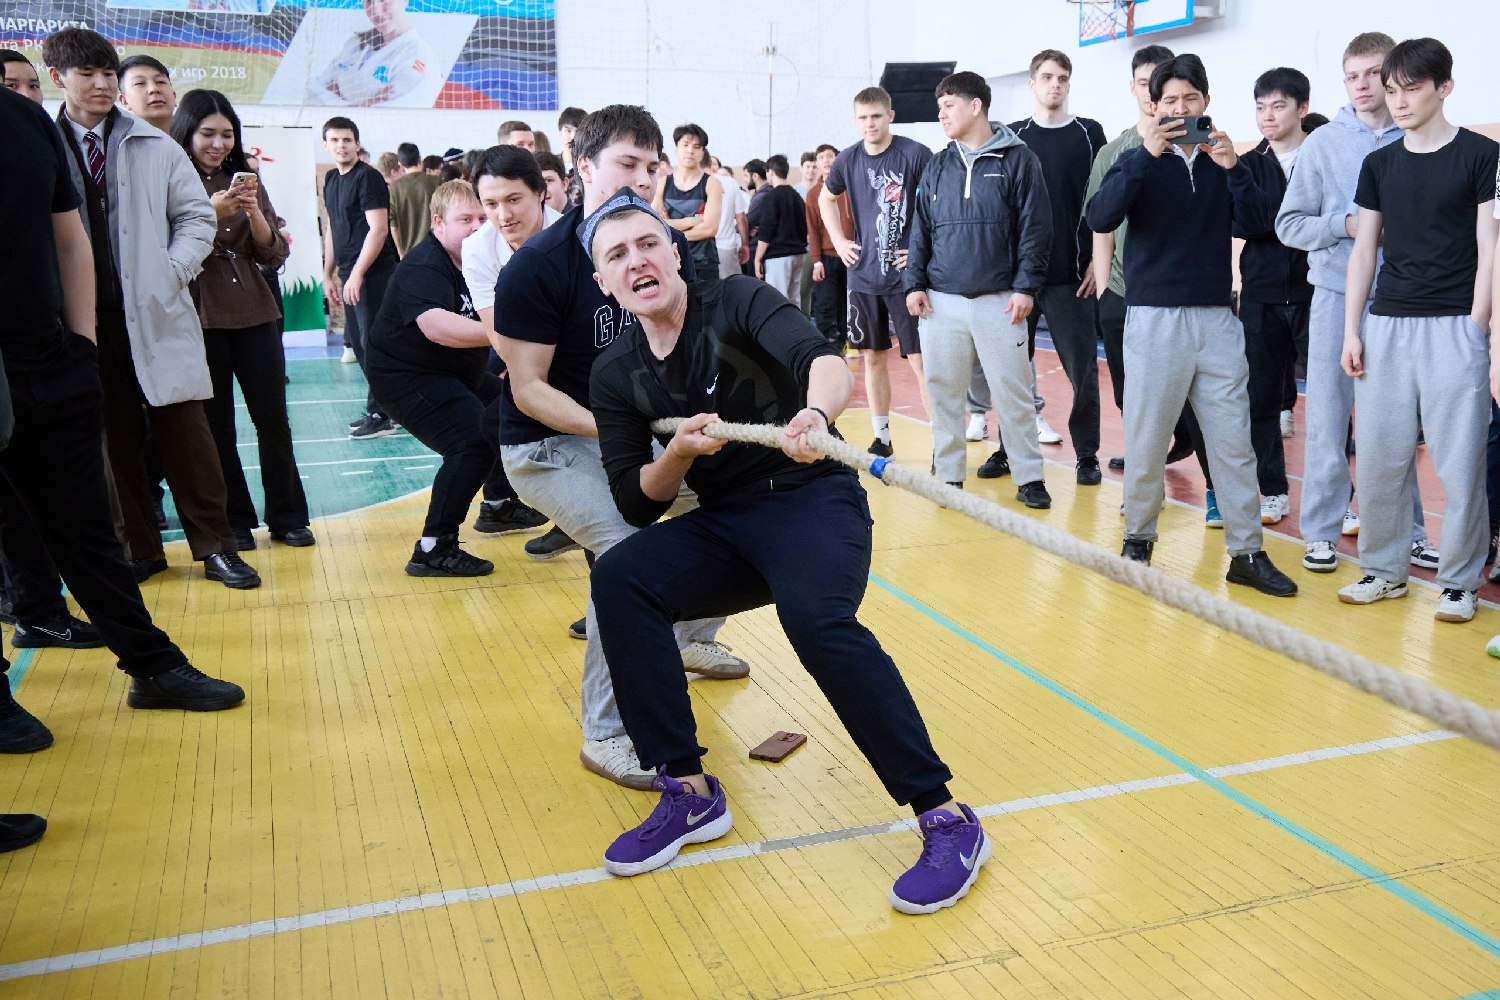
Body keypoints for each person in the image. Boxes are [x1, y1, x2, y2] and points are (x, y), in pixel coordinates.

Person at [584, 194, 987, 915]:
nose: (636, 261)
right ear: (604, 283)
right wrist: (678, 452)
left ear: (675, 253)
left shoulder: (737, 300)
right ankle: (688, 792)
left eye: (648, 244)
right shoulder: (616, 371)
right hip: (728, 522)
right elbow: (636, 502)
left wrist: (815, 413)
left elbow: (821, 360)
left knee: (815, 621)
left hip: (812, 499)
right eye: (617, 255)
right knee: (620, 578)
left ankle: (946, 817)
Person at [492, 105, 754, 791]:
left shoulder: (660, 244)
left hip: (632, 430)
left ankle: (689, 637)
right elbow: (528, 389)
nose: (642, 179)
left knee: (734, 496)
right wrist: (623, 434)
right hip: (547, 446)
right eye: (626, 165)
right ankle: (607, 732)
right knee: (631, 549)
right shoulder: (537, 268)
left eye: (650, 167)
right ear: (584, 167)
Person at [0, 83, 246, 765]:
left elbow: (69, 238)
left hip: (45, 360)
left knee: (85, 526)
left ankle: (152, 664)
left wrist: (79, 348)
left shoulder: (23, 123)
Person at [44, 27, 259, 590]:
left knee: (186, 430)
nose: (101, 84)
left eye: (107, 74)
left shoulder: (155, 145)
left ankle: (216, 546)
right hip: (81, 319)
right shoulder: (42, 143)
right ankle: (138, 549)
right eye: (87, 74)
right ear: (58, 78)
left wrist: (171, 271)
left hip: (154, 308)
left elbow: (196, 218)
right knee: (110, 436)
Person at [1085, 54, 1297, 596]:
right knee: (1148, 437)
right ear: (1154, 105)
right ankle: (1138, 540)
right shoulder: (1135, 159)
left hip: (1217, 319)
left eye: (1190, 98)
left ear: (1206, 101)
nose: (1181, 109)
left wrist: (1234, 168)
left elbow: (1259, 225)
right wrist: (1145, 155)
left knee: (1234, 442)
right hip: (1155, 319)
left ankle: (1247, 553)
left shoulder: (1224, 159)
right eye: (1170, 100)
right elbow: (1099, 216)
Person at [1338, 38, 1497, 623]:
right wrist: (1352, 329)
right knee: (1380, 459)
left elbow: (1491, 247)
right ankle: (1384, 571)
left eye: (1411, 89)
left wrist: (1479, 324)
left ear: (1444, 87)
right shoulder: (1379, 164)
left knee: (1460, 464)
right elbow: (1364, 251)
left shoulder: (1483, 156)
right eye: (1392, 90)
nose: (1398, 101)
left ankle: (1459, 582)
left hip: (1455, 327)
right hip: (1386, 325)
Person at [1275, 31, 1434, 574]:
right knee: (1326, 419)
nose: (1362, 85)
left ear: (1392, 77)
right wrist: (1346, 225)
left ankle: (1410, 533)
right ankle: (1321, 532)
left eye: (1372, 73)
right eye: (1352, 76)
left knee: (1396, 426)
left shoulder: (1416, 136)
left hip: (1401, 301)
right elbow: (1289, 224)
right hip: (1334, 297)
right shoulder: (1323, 144)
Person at [172, 88, 314, 552]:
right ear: (187, 132)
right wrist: (210, 212)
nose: (218, 144)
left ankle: (288, 517)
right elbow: (163, 243)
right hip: (200, 314)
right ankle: (233, 520)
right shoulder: (170, 176)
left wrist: (253, 212)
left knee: (273, 419)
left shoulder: (245, 178)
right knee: (216, 427)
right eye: (208, 133)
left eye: (227, 134)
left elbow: (272, 252)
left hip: (255, 309)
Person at [905, 71, 1053, 506]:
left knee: (1014, 393)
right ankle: (948, 474)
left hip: (1001, 301)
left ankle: (1030, 477)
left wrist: (1026, 287)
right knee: (944, 393)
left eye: (948, 106)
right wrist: (914, 283)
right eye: (939, 107)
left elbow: (1036, 228)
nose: (941, 114)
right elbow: (920, 229)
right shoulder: (937, 164)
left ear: (975, 106)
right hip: (941, 302)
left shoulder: (1020, 160)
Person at [364, 181, 515, 574]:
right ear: (438, 223)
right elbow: (436, 327)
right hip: (407, 377)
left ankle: (499, 505)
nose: (477, 227)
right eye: (465, 219)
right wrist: (509, 336)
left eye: (482, 218)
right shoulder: (424, 265)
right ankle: (433, 547)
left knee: (512, 408)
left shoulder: (484, 258)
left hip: (455, 371)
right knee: (471, 443)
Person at [1006, 50, 1108, 487]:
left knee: (1083, 373)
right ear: (1032, 84)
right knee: (1011, 373)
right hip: (1021, 280)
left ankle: (1086, 454)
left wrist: (1097, 261)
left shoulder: (1089, 133)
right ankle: (1008, 448)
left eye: (1063, 78)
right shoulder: (1013, 136)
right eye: (1047, 77)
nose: (1056, 84)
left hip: (1073, 278)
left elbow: (1104, 202)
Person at [821, 86, 932, 457]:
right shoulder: (847, 159)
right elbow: (826, 198)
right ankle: (882, 437)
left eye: (876, 116)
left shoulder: (915, 154)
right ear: (856, 120)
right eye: (863, 118)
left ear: (890, 116)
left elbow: (938, 203)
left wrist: (919, 250)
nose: (870, 123)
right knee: (871, 357)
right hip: (863, 277)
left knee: (920, 360)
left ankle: (942, 444)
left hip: (907, 279)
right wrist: (839, 240)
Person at [460, 144, 557, 536]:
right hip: (530, 363)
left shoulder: (580, 236)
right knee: (500, 422)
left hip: (587, 359)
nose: (503, 215)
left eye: (514, 199)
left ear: (540, 193)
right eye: (491, 203)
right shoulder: (477, 249)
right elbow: (498, 335)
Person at [1235, 68, 1312, 528]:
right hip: (1260, 295)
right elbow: (1244, 224)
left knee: (1327, 403)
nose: (1267, 115)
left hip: (1314, 293)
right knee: (1259, 399)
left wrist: (1278, 219)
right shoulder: (1245, 164)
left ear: (1302, 108)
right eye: (1261, 107)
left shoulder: (1321, 156)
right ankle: (1273, 490)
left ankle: (1334, 496)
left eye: (1278, 106)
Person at [320, 115, 400, 439]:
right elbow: (332, 227)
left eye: (347, 140)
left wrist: (357, 274)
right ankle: (386, 409)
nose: (341, 145)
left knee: (372, 345)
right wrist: (328, 273)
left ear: (357, 143)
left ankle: (383, 414)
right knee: (362, 347)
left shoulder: (368, 178)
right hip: (349, 272)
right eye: (335, 140)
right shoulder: (331, 179)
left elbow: (378, 229)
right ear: (326, 145)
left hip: (373, 274)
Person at [308, 0, 434, 107]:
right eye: (368, 1)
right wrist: (360, 106)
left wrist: (336, 101)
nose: (376, 11)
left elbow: (393, 116)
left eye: (383, 0)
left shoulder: (417, 56)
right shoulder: (354, 44)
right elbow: (312, 94)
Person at [653, 124, 721, 284]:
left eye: (696, 147)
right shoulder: (662, 183)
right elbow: (655, 225)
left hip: (704, 262)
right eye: (685, 145)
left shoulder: (712, 183)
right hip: (670, 261)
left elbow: (710, 228)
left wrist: (670, 226)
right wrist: (691, 221)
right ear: (676, 149)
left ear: (702, 152)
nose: (690, 150)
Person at [806, 142, 850, 349]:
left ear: (837, 159)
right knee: (824, 304)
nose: (826, 160)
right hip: (827, 258)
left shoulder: (850, 188)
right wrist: (816, 261)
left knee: (847, 303)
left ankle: (847, 342)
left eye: (830, 156)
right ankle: (823, 347)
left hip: (851, 255)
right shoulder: (813, 194)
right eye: (821, 157)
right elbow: (813, 230)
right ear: (817, 162)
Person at [749, 154, 807, 301]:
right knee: (794, 300)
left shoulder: (772, 196)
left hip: (779, 256)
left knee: (777, 300)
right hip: (799, 254)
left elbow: (766, 230)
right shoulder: (797, 196)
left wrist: (757, 258)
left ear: (771, 172)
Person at [388, 141, 441, 256]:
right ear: (420, 160)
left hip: (410, 253)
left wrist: (400, 252)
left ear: (400, 165)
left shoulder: (395, 188)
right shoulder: (436, 182)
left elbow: (394, 225)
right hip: (437, 249)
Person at [117, 55, 175, 132]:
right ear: (125, 101)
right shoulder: (116, 139)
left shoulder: (190, 136)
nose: (153, 89)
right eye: (140, 83)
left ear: (174, 95)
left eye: (160, 81)